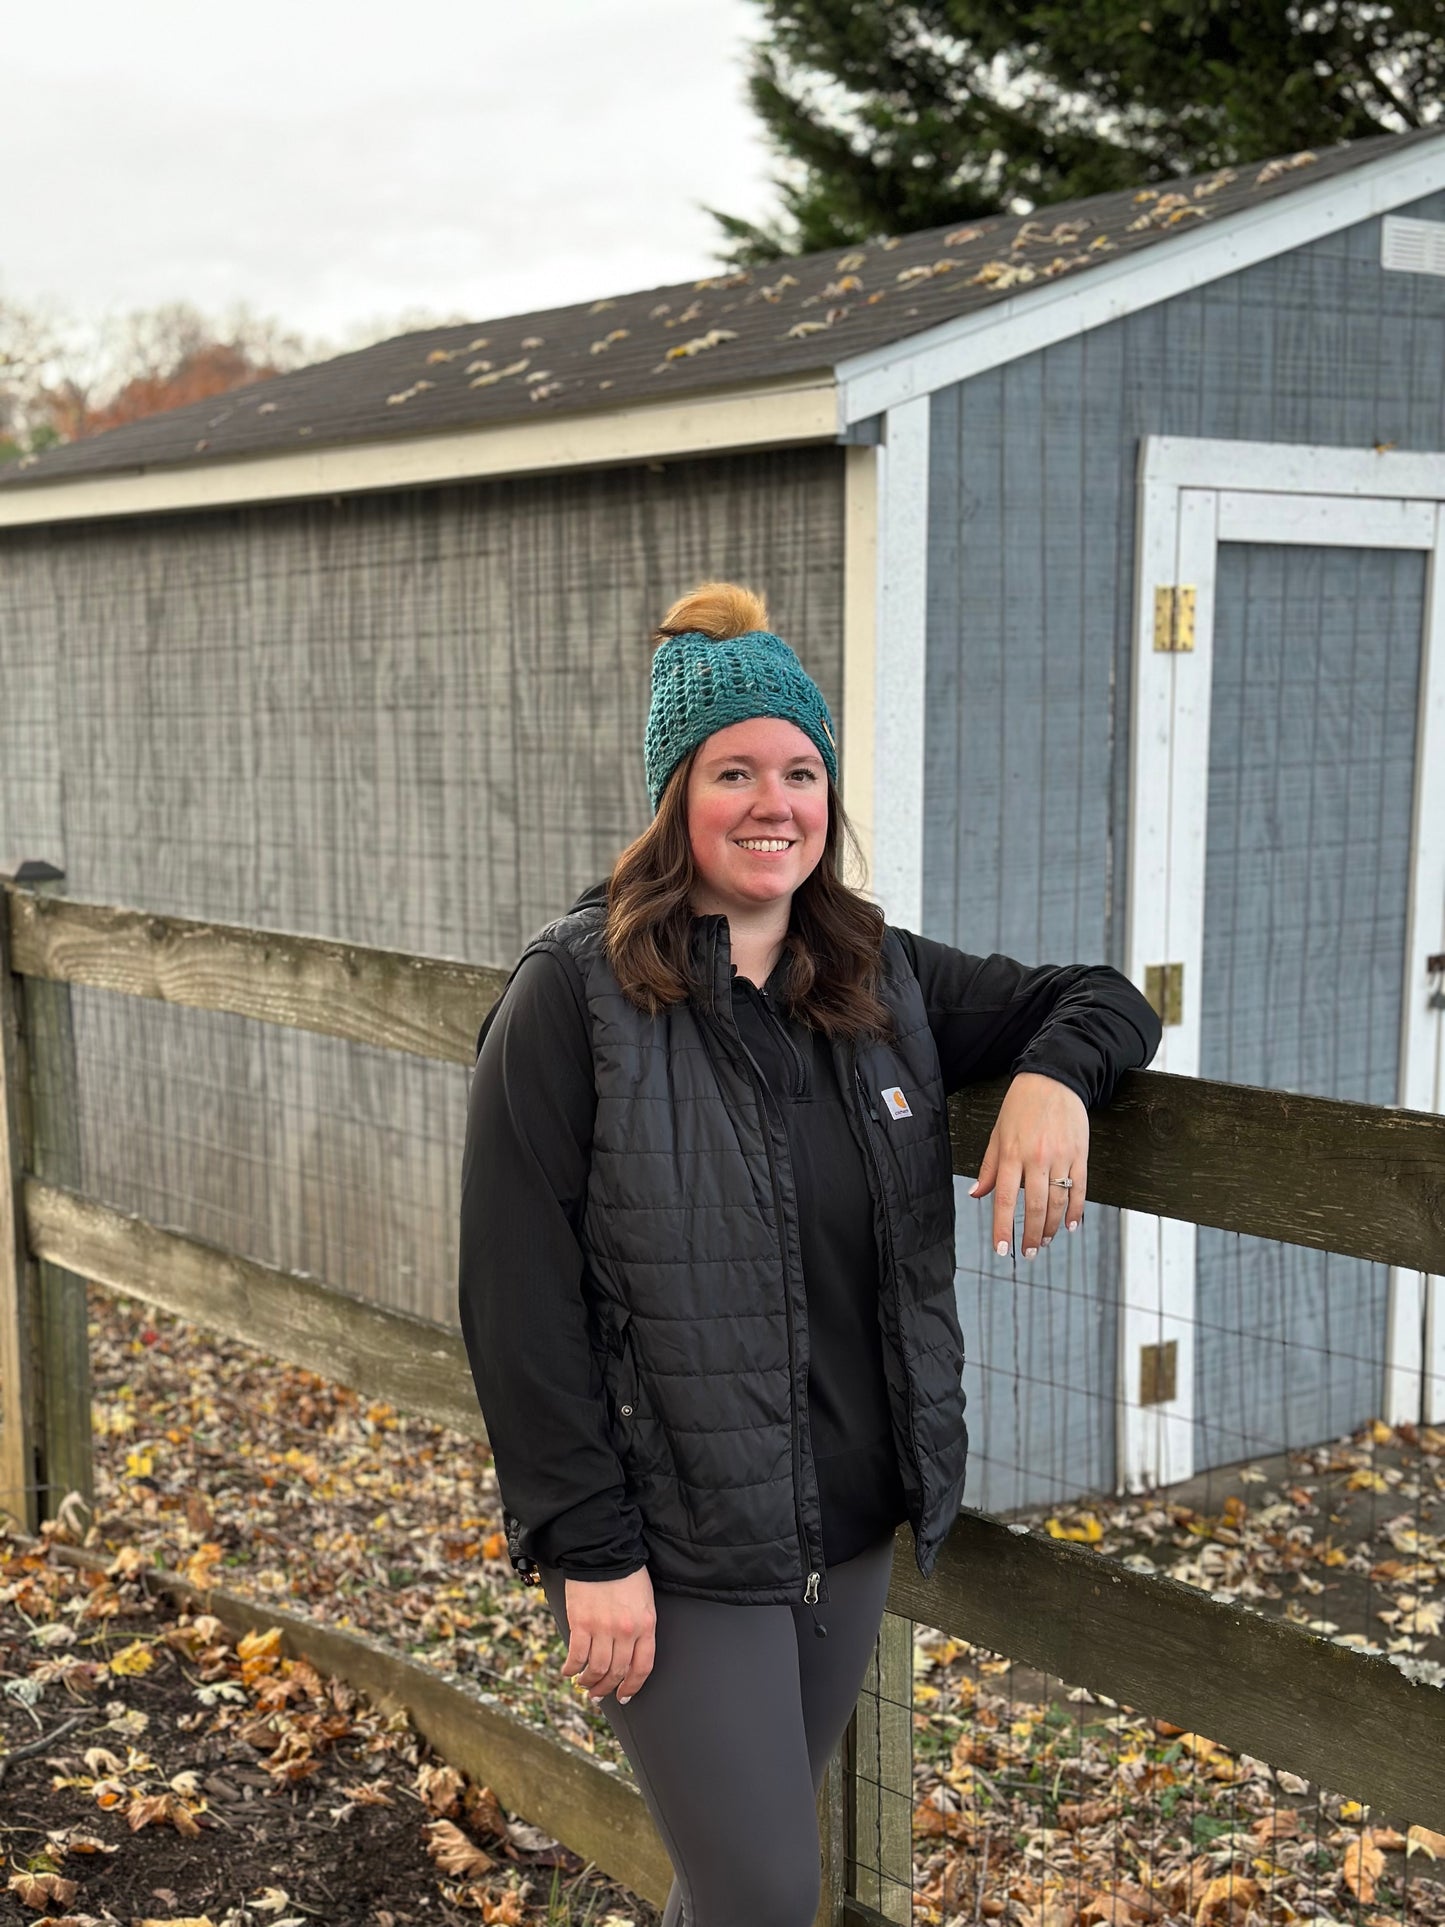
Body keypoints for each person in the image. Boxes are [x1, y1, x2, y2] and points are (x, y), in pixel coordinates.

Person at [458, 581, 1162, 1927]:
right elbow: (512, 1295)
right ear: (676, 797)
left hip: (844, 1529)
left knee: (737, 1891)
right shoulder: (575, 995)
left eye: (798, 769)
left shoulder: (879, 980)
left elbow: (1104, 1000)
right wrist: (587, 1550)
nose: (771, 801)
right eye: (733, 771)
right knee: (768, 1892)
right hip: (676, 1540)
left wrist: (1055, 1081)